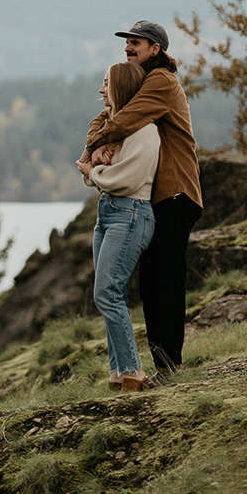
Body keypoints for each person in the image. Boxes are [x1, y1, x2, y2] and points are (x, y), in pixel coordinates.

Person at [78, 20, 202, 385]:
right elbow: (107, 115)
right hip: (156, 195)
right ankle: (156, 365)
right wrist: (94, 142)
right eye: (128, 43)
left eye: (137, 43)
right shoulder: (142, 82)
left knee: (164, 280)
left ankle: (168, 367)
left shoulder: (160, 81)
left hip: (174, 191)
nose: (129, 48)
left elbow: (126, 117)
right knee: (151, 283)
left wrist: (89, 154)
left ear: (156, 49)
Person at [78, 61, 160, 392]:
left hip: (130, 213)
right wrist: (95, 168)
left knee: (107, 292)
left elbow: (126, 178)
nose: (100, 90)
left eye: (105, 84)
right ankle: (117, 372)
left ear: (120, 87)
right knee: (110, 292)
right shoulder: (118, 129)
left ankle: (133, 372)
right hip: (109, 212)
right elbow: (96, 173)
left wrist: (93, 172)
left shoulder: (144, 131)